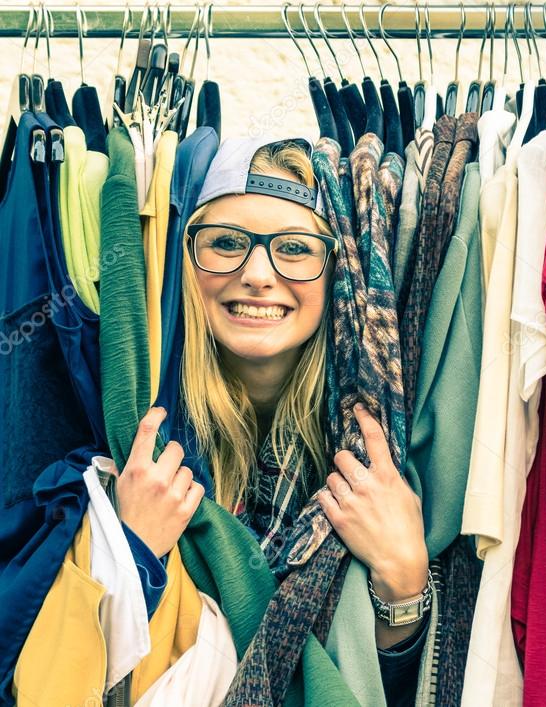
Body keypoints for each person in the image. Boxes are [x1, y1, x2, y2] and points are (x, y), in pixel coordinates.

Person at [115, 138, 430, 703]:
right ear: (187, 261)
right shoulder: (144, 436)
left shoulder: (370, 444)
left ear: (335, 270)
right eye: (227, 243)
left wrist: (405, 581)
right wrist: (132, 552)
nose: (258, 274)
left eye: (293, 249)